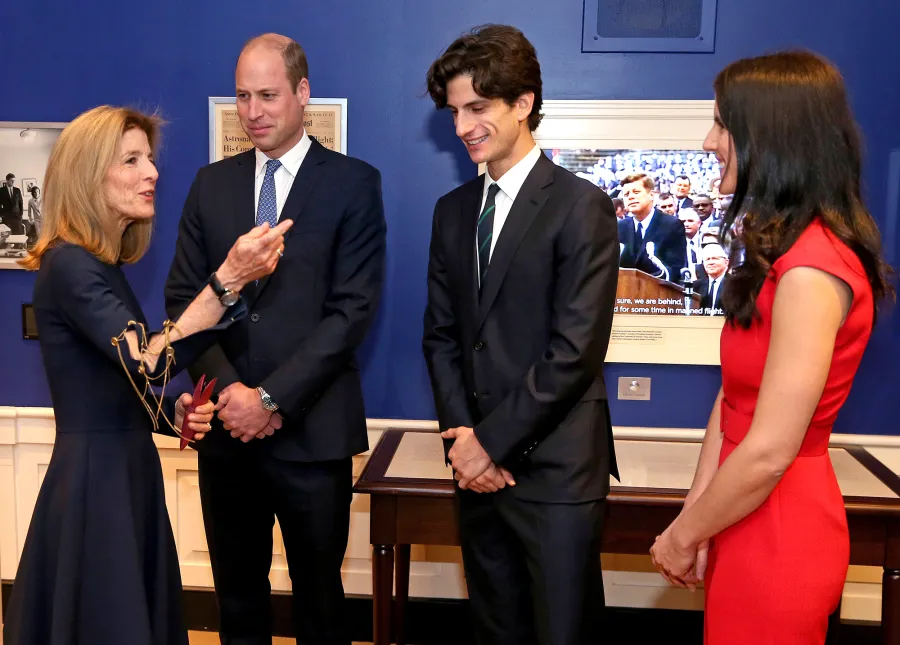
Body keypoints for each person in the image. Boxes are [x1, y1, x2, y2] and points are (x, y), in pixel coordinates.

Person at [2, 106, 290, 645]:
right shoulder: (71, 265)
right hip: (98, 481)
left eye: (150, 158)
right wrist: (225, 282)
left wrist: (168, 411)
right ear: (89, 174)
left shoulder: (98, 265)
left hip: (120, 469)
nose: (152, 172)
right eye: (131, 160)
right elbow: (149, 361)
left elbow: (118, 380)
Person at [649, 51, 893, 644]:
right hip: (743, 510)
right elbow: (731, 404)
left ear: (771, 136)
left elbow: (769, 451)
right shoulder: (781, 253)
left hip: (780, 525)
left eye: (722, 125)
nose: (709, 142)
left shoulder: (813, 268)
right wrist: (698, 518)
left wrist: (683, 536)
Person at [164, 33, 386, 645]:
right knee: (237, 598)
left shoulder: (353, 183)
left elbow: (352, 313)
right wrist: (235, 394)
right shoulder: (211, 185)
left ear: (302, 94)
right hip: (225, 433)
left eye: (268, 95)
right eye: (242, 96)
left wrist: (270, 399)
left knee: (320, 600)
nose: (254, 111)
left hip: (313, 435)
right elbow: (184, 304)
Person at [422, 24, 619, 645]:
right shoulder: (451, 211)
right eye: (455, 112)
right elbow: (442, 337)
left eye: (477, 108)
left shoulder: (581, 206)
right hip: (477, 473)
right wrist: (463, 441)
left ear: (523, 102)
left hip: (555, 474)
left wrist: (490, 445)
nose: (463, 127)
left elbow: (576, 350)